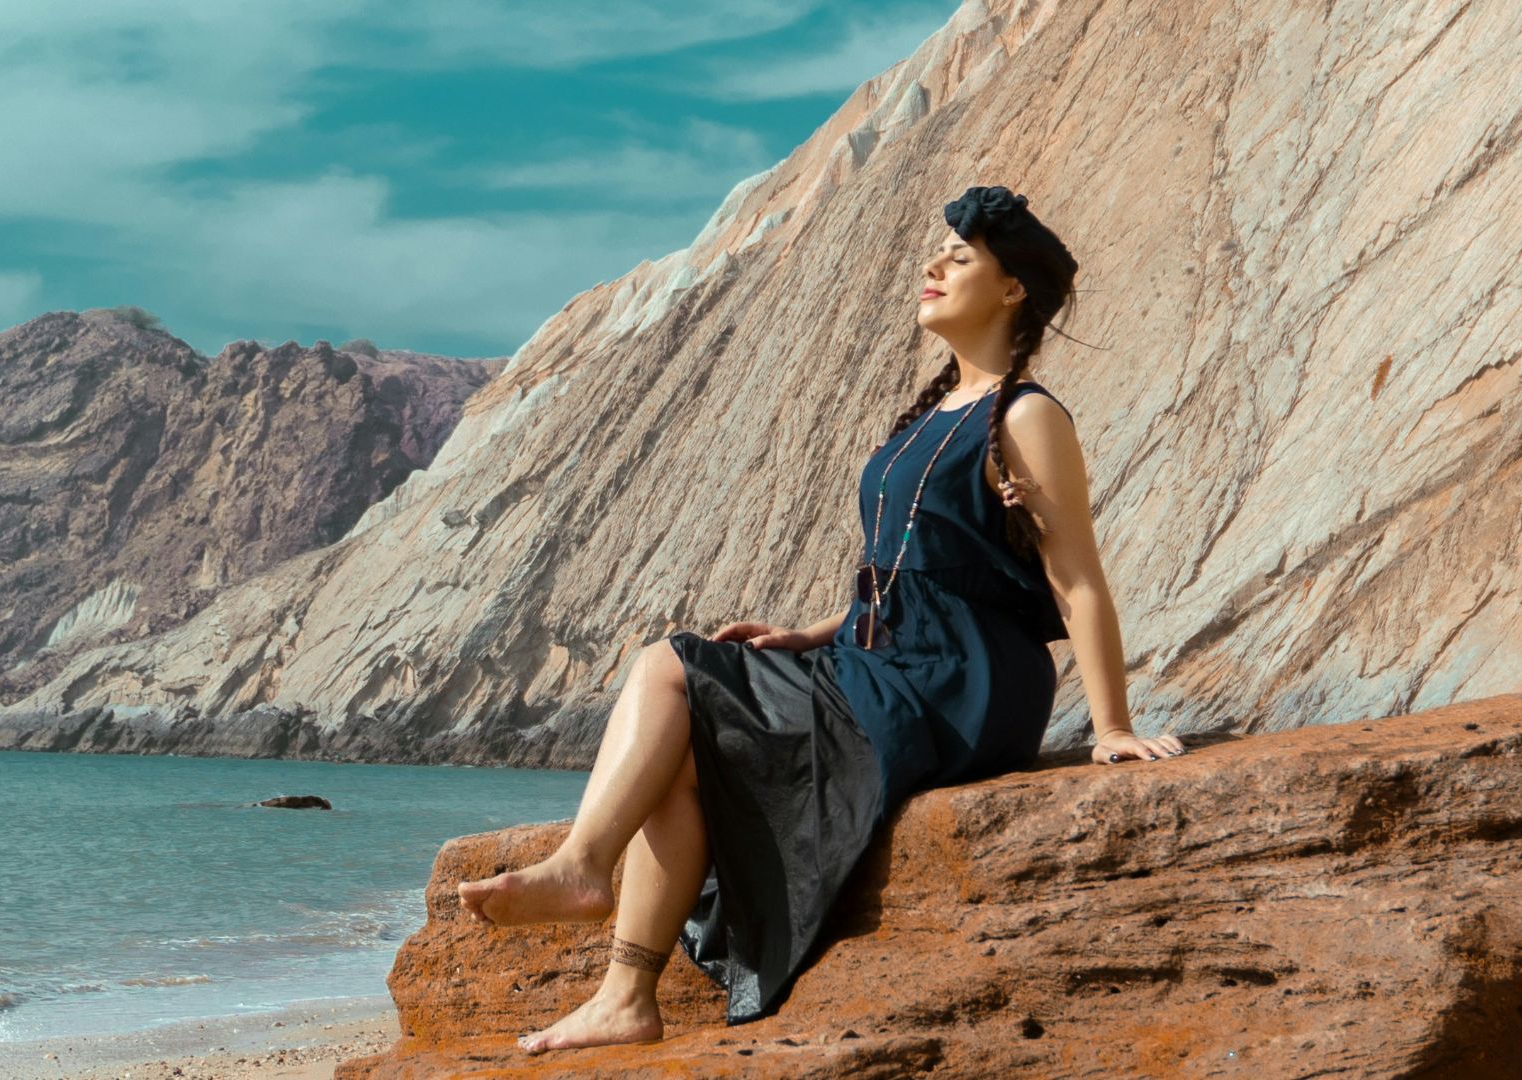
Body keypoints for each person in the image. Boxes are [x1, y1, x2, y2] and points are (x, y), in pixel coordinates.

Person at [454, 184, 1185, 1053]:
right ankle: (626, 995)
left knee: (667, 667)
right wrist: (812, 634)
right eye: (936, 255)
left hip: (958, 684)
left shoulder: (1025, 416)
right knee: (680, 741)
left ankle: (583, 868)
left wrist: (1110, 725)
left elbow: (1079, 582)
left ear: (1012, 290)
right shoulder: (933, 412)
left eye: (958, 260)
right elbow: (908, 571)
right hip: (885, 663)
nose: (932, 267)